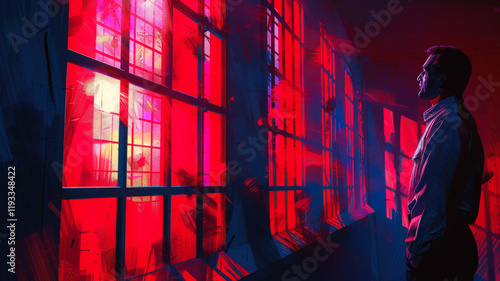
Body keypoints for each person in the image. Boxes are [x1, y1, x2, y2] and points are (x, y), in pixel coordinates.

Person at [405, 46, 484, 281]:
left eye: (426, 70)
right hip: (445, 246)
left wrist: (416, 254)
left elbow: (434, 197)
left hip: (439, 250)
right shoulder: (449, 119)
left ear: (441, 78)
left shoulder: (448, 123)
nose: (419, 76)